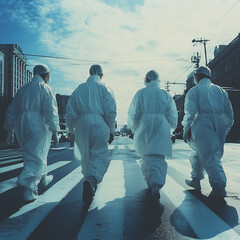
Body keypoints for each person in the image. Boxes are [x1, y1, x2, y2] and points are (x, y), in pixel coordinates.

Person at [4, 64, 59, 202]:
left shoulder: (22, 90)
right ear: (45, 75)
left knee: (36, 153)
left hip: (21, 123)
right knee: (35, 156)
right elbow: (50, 110)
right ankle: (28, 187)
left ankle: (43, 178)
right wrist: (55, 129)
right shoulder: (45, 88)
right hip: (37, 122)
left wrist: (9, 129)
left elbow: (12, 110)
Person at [66, 65, 117, 204]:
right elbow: (111, 111)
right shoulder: (105, 88)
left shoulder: (79, 89)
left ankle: (89, 181)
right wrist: (111, 129)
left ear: (89, 73)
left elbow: (70, 112)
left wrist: (71, 130)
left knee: (86, 156)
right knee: (99, 155)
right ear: (101, 75)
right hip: (99, 123)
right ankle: (91, 180)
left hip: (81, 124)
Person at [182, 66, 234, 199]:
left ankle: (219, 186)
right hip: (219, 123)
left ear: (197, 76)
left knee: (209, 155)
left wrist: (186, 128)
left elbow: (190, 113)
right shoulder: (220, 91)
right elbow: (228, 113)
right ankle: (196, 180)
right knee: (200, 153)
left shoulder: (194, 91)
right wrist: (225, 128)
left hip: (202, 123)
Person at [128, 70, 178, 199]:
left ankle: (151, 181)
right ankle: (157, 183)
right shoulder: (165, 95)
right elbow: (172, 112)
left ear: (146, 79)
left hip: (144, 124)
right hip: (161, 124)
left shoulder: (141, 93)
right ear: (158, 80)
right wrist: (170, 125)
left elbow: (134, 112)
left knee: (146, 155)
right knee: (159, 155)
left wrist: (134, 126)